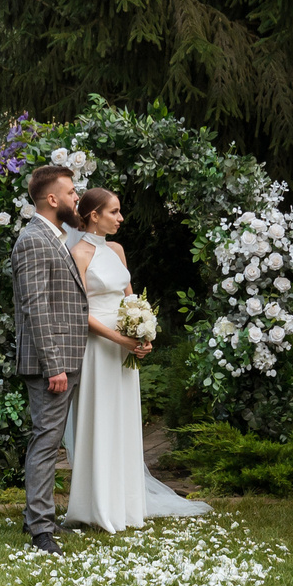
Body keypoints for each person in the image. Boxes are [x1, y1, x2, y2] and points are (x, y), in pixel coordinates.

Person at [61, 188, 211, 531]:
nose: (121, 218)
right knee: (99, 419)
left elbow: (131, 300)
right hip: (99, 350)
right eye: (114, 212)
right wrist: (122, 339)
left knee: (123, 420)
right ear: (94, 215)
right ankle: (96, 505)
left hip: (125, 349)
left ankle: (126, 503)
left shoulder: (116, 250)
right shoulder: (78, 253)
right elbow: (80, 313)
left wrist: (143, 335)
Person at [11, 162, 86, 554]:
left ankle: (39, 518)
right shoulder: (33, 240)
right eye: (72, 192)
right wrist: (54, 364)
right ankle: (41, 528)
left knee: (49, 437)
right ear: (52, 198)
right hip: (50, 364)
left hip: (65, 358)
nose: (77, 197)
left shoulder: (55, 236)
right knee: (46, 440)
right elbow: (36, 307)